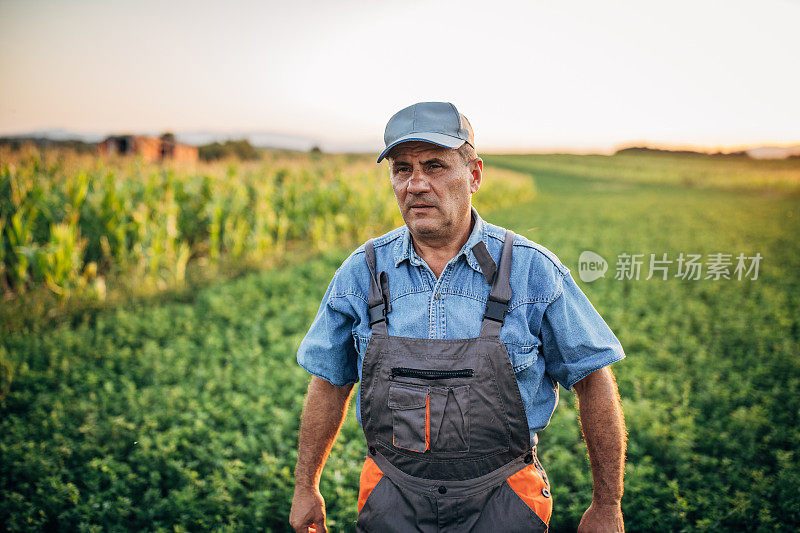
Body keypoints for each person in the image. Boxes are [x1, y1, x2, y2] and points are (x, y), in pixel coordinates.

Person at [289, 102, 627, 532]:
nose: (416, 184)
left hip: (504, 499)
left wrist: (607, 504)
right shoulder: (363, 271)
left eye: (435, 166)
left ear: (475, 175)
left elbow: (593, 378)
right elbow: (328, 382)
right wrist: (305, 487)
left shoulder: (532, 270)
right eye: (401, 168)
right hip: (392, 496)